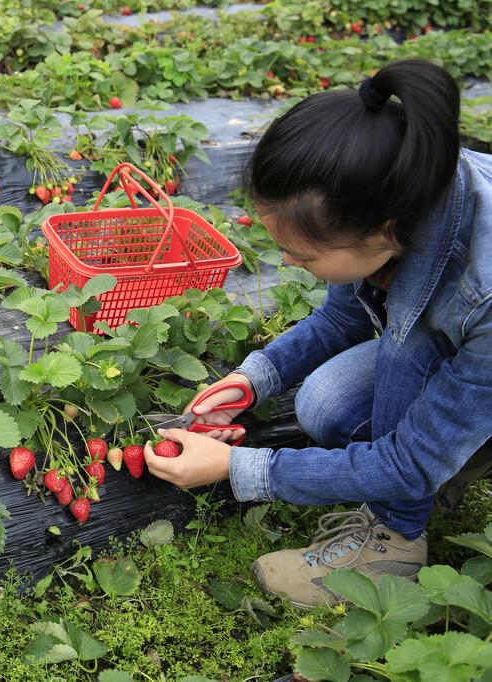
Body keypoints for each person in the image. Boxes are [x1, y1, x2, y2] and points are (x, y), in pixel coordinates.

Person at [141, 59, 492, 608]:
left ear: (384, 232)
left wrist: (239, 467)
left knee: (410, 351)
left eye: (301, 257)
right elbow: (341, 318)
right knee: (328, 404)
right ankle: (445, 458)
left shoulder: (484, 290)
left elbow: (410, 462)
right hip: (467, 352)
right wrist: (254, 378)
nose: (284, 261)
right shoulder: (393, 187)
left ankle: (394, 545)